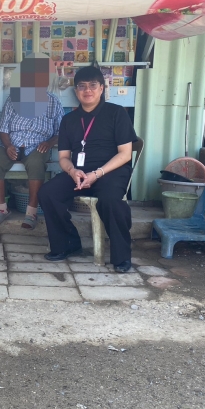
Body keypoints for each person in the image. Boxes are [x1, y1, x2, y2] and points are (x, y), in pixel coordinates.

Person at [38, 66, 137, 273]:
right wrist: (72, 171)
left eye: (93, 85)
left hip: (110, 172)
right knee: (48, 193)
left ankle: (121, 256)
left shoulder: (116, 113)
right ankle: (68, 243)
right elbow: (64, 157)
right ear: (76, 91)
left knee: (110, 200)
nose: (87, 90)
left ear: (102, 88)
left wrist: (98, 173)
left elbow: (125, 154)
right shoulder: (69, 120)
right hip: (79, 173)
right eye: (82, 86)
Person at [0, 56, 64, 230]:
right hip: (12, 144)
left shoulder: (53, 102)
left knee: (36, 162)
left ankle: (31, 212)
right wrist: (8, 146)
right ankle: (2, 209)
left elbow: (60, 132)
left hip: (38, 145)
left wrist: (49, 143)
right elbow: (3, 128)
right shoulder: (13, 99)